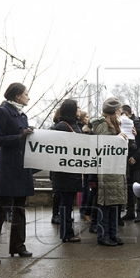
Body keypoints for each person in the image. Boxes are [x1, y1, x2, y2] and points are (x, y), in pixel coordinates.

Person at [0, 82, 35, 264]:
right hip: (8, 167)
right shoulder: (2, 112)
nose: (28, 96)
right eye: (26, 93)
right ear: (17, 96)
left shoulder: (22, 114)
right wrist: (19, 136)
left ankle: (18, 246)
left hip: (21, 165)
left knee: (19, 209)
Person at [93, 97, 128, 246]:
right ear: (114, 110)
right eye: (119, 109)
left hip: (115, 169)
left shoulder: (115, 124)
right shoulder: (102, 125)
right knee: (106, 204)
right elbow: (103, 144)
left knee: (115, 204)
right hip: (107, 170)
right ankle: (103, 235)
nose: (121, 111)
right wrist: (118, 138)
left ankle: (113, 234)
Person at [51, 99, 83, 243]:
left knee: (68, 203)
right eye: (77, 108)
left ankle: (68, 232)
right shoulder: (62, 127)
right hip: (65, 173)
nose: (79, 111)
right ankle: (67, 233)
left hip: (72, 171)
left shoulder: (74, 125)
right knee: (66, 204)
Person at [121, 105, 140, 223]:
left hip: (138, 162)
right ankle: (130, 211)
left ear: (126, 113)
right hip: (127, 161)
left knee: (138, 187)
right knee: (129, 188)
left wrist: (135, 157)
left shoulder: (139, 124)